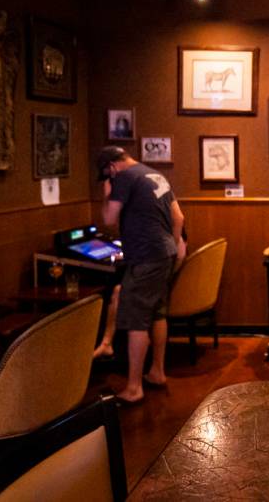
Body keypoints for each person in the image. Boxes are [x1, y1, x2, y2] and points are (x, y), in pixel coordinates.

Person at [97, 145, 186, 404]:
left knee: (136, 319)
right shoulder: (154, 174)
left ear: (112, 168)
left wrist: (106, 194)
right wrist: (171, 244)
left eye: (106, 175)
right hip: (164, 253)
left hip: (146, 256)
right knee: (157, 311)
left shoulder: (124, 178)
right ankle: (157, 371)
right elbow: (178, 217)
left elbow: (110, 218)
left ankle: (134, 387)